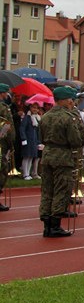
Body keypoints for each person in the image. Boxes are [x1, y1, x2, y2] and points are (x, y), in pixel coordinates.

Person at [38, 86, 84, 236]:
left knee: (47, 190)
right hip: (63, 157)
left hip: (47, 156)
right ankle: (55, 224)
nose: (71, 102)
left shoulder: (45, 116)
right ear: (65, 100)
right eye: (70, 99)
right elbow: (76, 140)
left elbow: (41, 138)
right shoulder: (68, 117)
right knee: (61, 190)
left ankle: (46, 223)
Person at [0, 83, 17, 211]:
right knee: (2, 170)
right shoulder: (3, 108)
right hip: (2, 143)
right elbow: (7, 127)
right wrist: (11, 143)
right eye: (6, 92)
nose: (7, 95)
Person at [19, 102, 42, 180]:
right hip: (27, 140)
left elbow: (37, 131)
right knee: (26, 157)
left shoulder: (36, 118)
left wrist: (38, 141)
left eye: (36, 108)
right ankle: (25, 174)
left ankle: (28, 173)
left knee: (31, 157)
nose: (35, 109)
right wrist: (23, 138)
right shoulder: (27, 117)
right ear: (30, 108)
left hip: (33, 141)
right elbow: (22, 128)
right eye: (33, 107)